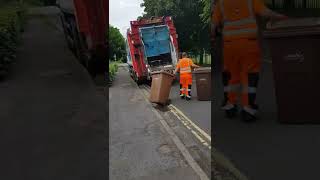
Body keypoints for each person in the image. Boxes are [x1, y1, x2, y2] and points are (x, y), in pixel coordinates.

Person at [212, 0, 288, 122]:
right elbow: (265, 12)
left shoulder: (220, 3)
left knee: (231, 75)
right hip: (249, 43)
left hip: (229, 45)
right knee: (249, 75)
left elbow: (214, 26)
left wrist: (215, 36)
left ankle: (230, 106)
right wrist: (281, 17)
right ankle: (248, 109)